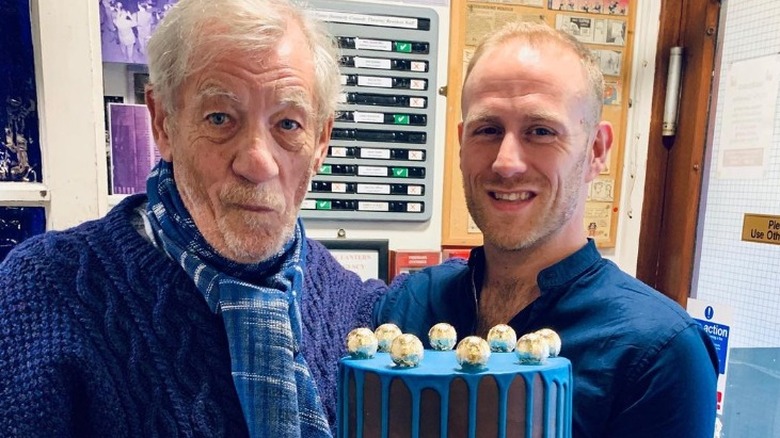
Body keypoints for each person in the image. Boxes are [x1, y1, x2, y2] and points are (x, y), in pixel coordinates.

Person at [0, 0, 386, 436]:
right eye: (220, 117)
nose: (258, 162)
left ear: (321, 141)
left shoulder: (354, 309)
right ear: (164, 124)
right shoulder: (44, 290)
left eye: (288, 124)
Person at [375, 22, 718, 437]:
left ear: (596, 151)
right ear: (463, 144)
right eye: (488, 130)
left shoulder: (657, 352)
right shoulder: (411, 305)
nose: (507, 163)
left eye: (540, 131)